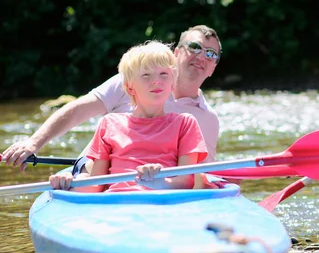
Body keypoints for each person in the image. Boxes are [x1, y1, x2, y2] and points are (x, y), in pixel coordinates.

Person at [2, 25, 221, 173]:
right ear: (176, 53)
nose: (202, 56)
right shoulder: (132, 80)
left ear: (213, 69)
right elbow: (78, 110)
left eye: (212, 54)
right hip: (95, 172)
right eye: (195, 47)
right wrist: (33, 143)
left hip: (155, 185)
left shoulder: (208, 120)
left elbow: (200, 174)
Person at [49, 41, 209, 192]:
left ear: (173, 84)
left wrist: (160, 182)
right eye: (146, 75)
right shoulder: (109, 123)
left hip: (162, 203)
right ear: (130, 87)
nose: (157, 81)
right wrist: (69, 183)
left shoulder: (185, 123)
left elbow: (186, 182)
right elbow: (96, 184)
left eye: (164, 74)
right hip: (118, 203)